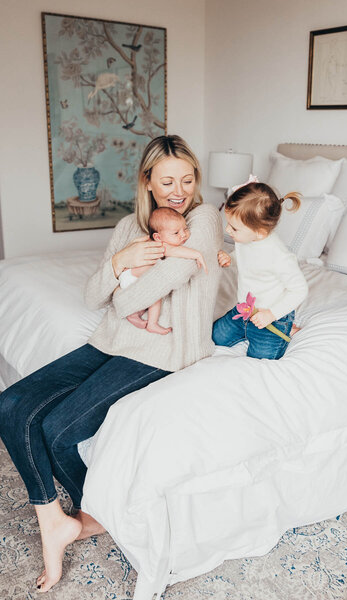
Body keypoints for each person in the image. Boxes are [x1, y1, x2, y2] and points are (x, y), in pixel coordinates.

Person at [0, 134, 222, 593]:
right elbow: (92, 295)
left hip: (166, 350)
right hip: (109, 343)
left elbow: (171, 274)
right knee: (11, 404)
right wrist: (122, 260)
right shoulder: (127, 227)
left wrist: (122, 294)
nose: (178, 190)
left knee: (60, 429)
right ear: (147, 182)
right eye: (167, 181)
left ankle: (93, 514)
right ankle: (55, 521)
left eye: (187, 178)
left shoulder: (204, 218)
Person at [213, 177, 308, 360]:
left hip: (271, 318)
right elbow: (244, 256)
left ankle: (289, 328)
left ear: (260, 232)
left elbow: (299, 289)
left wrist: (271, 314)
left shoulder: (279, 257)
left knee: (260, 358)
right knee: (215, 337)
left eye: (234, 228)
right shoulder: (245, 239)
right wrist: (230, 258)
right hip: (244, 310)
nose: (227, 230)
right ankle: (245, 330)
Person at [119, 207, 207, 334]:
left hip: (131, 275)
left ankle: (134, 313)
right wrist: (198, 255)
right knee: (156, 293)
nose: (183, 234)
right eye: (176, 233)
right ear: (158, 237)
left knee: (149, 292)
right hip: (131, 276)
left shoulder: (160, 241)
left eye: (186, 228)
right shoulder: (159, 245)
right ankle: (152, 323)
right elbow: (176, 251)